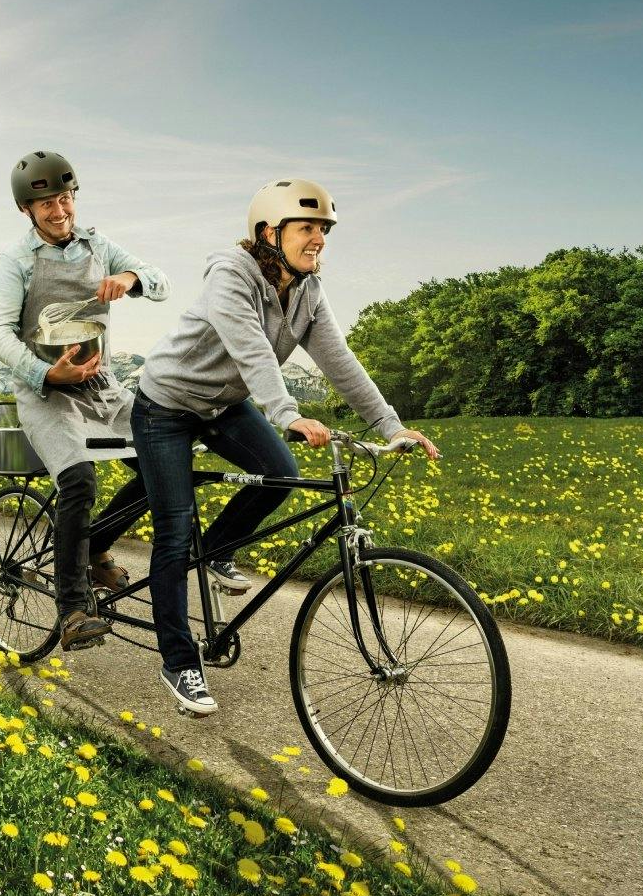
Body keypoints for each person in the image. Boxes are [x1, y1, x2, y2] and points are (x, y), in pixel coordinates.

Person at [131, 178, 440, 714]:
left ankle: (220, 549)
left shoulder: (308, 291)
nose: (319, 238)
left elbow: (340, 362)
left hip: (225, 406)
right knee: (175, 532)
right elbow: (253, 352)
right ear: (269, 232)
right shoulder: (231, 275)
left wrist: (392, 427)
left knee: (281, 471)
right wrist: (288, 414)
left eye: (324, 229)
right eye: (307, 228)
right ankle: (180, 662)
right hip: (167, 406)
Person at [0, 151, 171, 650]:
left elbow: (160, 281)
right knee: (78, 480)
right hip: (46, 389)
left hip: (103, 386)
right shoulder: (15, 262)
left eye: (65, 198)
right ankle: (71, 610)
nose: (59, 209)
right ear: (26, 209)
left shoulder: (99, 245)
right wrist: (46, 370)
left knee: (163, 462)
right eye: (45, 203)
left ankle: (96, 549)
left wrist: (131, 280)